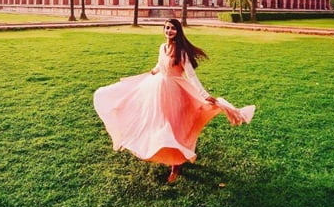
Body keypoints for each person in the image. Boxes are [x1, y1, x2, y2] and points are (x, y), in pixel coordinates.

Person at [93, 18, 255, 183]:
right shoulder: (162, 47)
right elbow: (159, 65)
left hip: (175, 91)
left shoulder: (181, 52)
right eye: (166, 28)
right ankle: (157, 150)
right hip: (157, 89)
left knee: (174, 127)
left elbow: (191, 75)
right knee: (154, 122)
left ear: (178, 31)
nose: (169, 31)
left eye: (172, 28)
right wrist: (153, 72)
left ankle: (175, 165)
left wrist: (204, 93)